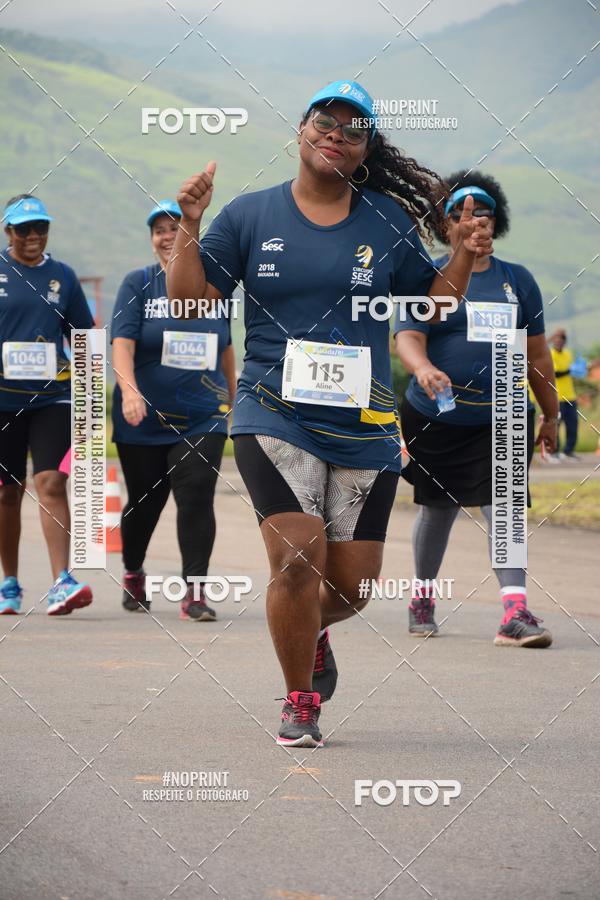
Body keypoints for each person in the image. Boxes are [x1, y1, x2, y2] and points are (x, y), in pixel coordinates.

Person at [167, 81, 493, 747]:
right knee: (295, 560)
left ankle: (310, 630)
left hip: (363, 425)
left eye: (353, 128)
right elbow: (191, 303)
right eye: (325, 120)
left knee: (350, 590)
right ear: (302, 129)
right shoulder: (249, 215)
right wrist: (190, 228)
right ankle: (299, 701)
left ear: (366, 148)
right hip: (272, 411)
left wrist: (461, 252)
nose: (336, 134)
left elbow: (432, 306)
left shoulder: (386, 221)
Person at [395, 171, 559, 648]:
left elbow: (538, 356)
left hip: (504, 413)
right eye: (461, 213)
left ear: (495, 222)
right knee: (438, 509)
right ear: (445, 225)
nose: (475, 220)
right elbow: (408, 336)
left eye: (484, 212)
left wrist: (550, 414)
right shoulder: (427, 278)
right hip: (436, 416)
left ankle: (514, 612)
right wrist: (423, 367)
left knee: (503, 506)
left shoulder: (517, 280)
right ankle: (423, 597)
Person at [111, 200, 236, 621]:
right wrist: (129, 392)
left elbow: (225, 347)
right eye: (160, 230)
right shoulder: (138, 284)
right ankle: (133, 571)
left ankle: (194, 593)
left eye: (176, 228)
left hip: (203, 414)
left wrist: (232, 399)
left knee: (197, 494)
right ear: (152, 239)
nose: (168, 237)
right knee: (145, 502)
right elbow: (122, 345)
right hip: (143, 417)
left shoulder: (214, 289)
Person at [0, 195, 94, 615]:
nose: (33, 235)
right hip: (3, 402)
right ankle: (9, 583)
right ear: (8, 232)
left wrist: (91, 399)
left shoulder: (63, 276)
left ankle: (62, 581)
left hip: (53, 397)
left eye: (41, 227)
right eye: (23, 229)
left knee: (51, 482)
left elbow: (84, 337)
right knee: (8, 492)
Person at [549, 328, 579, 461]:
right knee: (556, 425)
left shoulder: (568, 354)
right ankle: (554, 452)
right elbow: (555, 373)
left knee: (572, 425)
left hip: (570, 396)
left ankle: (568, 451)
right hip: (557, 397)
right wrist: (570, 370)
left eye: (561, 340)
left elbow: (573, 371)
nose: (558, 342)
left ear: (564, 342)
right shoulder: (551, 354)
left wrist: (580, 370)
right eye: (556, 340)